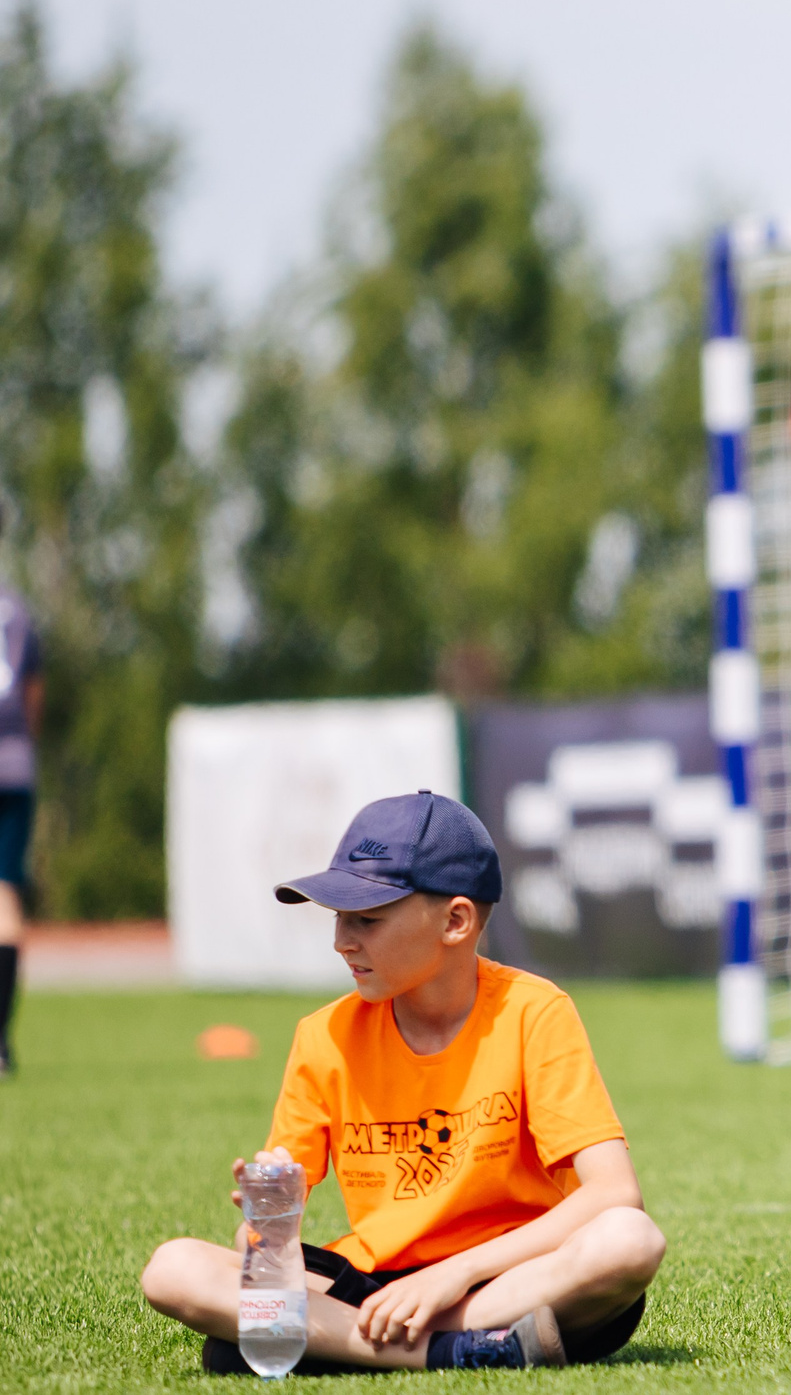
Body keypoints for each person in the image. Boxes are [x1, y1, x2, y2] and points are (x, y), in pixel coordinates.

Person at [140, 792, 666, 1372]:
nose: (342, 940)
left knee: (629, 1240)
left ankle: (344, 1347)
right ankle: (460, 1351)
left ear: (456, 921)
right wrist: (272, 1227)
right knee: (175, 1268)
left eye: (367, 919)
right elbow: (266, 1246)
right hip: (375, 1286)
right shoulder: (324, 1036)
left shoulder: (533, 1012)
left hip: (505, 1277)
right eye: (338, 918)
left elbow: (615, 1194)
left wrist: (453, 1274)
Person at [0, 515, 37, 1080]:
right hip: (12, 766)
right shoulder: (18, 612)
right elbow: (31, 700)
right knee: (5, 897)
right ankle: (0, 1044)